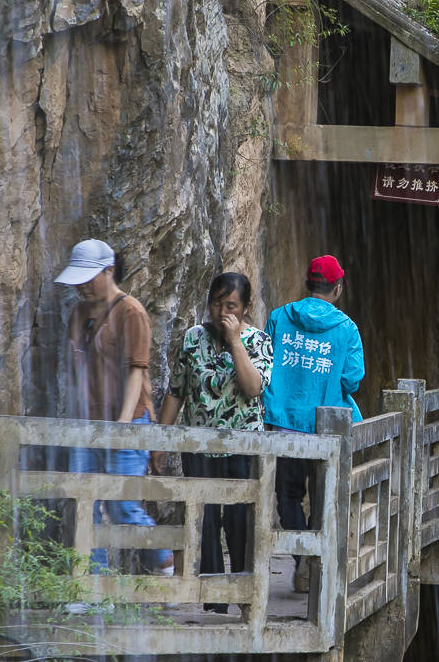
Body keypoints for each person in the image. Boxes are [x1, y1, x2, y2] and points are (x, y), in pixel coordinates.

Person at [56, 239, 171, 576]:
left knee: (122, 505)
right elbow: (75, 368)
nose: (82, 286)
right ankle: (91, 584)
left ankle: (162, 560)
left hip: (128, 421)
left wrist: (121, 425)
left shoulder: (131, 311)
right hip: (87, 424)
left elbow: (137, 369)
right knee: (83, 504)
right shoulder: (78, 313)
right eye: (79, 279)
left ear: (108, 271)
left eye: (89, 278)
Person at [161, 272, 272, 609]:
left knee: (241, 524)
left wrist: (236, 341)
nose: (221, 312)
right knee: (204, 523)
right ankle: (213, 603)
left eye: (231, 306)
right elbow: (176, 392)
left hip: (244, 449)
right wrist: (157, 441)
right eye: (215, 303)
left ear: (246, 307)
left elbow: (253, 388)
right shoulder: (192, 339)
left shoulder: (259, 341)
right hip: (200, 449)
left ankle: (243, 598)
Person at [264, 256, 365, 538]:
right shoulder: (347, 328)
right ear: (338, 288)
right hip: (327, 429)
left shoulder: (279, 317)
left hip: (284, 423)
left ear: (307, 284)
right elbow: (352, 379)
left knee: (288, 496)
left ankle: (302, 560)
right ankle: (314, 562)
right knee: (324, 496)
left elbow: (264, 364)